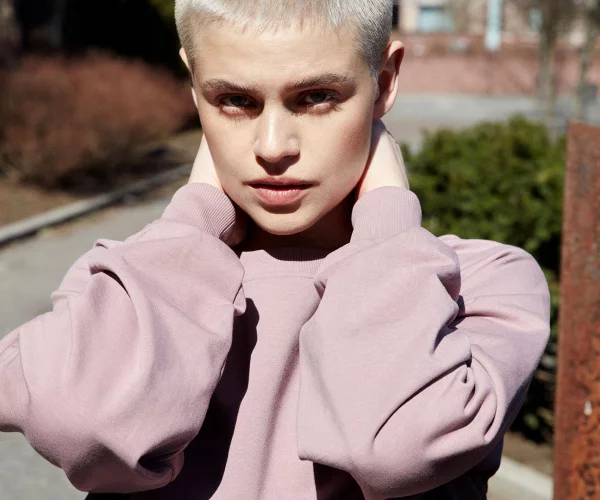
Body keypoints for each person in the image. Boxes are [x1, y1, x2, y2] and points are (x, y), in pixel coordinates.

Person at [0, 1, 551, 499]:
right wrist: (192, 226)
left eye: (316, 97)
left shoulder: (481, 283)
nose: (272, 148)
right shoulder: (124, 281)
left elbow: (394, 451)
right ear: (194, 86)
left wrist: (386, 220)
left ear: (384, 82)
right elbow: (91, 436)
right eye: (235, 100)